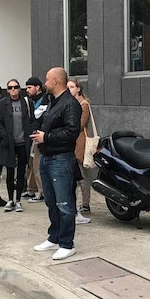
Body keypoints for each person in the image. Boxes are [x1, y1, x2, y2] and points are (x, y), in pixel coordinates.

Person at [31, 67, 82, 261]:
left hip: (61, 159)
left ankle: (67, 244)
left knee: (64, 203)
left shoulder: (70, 104)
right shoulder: (53, 102)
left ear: (56, 81)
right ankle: (54, 237)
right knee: (51, 201)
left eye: (47, 80)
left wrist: (47, 137)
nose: (45, 83)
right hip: (47, 156)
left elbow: (72, 131)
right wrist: (40, 133)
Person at [0, 78, 35, 213]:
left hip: (23, 142)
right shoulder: (3, 103)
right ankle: (10, 199)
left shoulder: (26, 102)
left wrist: (31, 133)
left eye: (15, 87)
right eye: (10, 87)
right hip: (9, 143)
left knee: (21, 171)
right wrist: (4, 136)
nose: (13, 90)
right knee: (10, 171)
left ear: (19, 88)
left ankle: (18, 200)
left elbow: (33, 120)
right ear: (7, 90)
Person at [67, 78, 93, 224]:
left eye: (72, 87)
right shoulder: (71, 103)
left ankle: (85, 204)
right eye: (68, 87)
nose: (69, 89)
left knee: (82, 175)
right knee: (75, 175)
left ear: (78, 88)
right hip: (74, 141)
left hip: (80, 141)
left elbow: (80, 124)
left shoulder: (83, 104)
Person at [24, 76, 50, 202]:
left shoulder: (45, 100)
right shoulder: (31, 100)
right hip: (32, 135)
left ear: (38, 87)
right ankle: (31, 188)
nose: (27, 90)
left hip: (40, 136)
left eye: (29, 87)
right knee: (30, 163)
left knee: (37, 164)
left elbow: (37, 117)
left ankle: (41, 192)